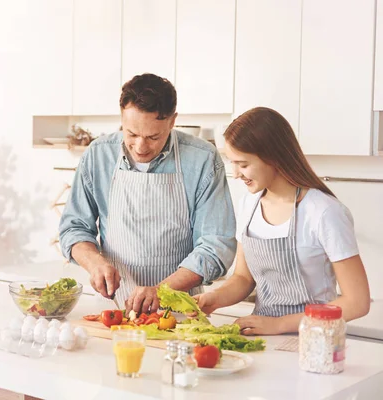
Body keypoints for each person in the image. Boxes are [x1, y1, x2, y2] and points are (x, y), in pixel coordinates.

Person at [58, 73, 236, 315]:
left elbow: (216, 246)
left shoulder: (202, 159)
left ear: (173, 121)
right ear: (121, 117)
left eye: (154, 137)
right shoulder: (98, 155)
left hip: (177, 312)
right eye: (131, 134)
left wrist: (161, 290)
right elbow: (74, 228)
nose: (141, 147)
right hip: (112, 309)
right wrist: (95, 263)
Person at [194, 107, 371, 335]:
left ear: (273, 158)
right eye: (232, 162)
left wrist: (280, 324)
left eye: (244, 164)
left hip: (316, 341)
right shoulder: (249, 204)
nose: (236, 173)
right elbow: (243, 278)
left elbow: (357, 302)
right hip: (263, 338)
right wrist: (215, 298)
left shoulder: (324, 212)